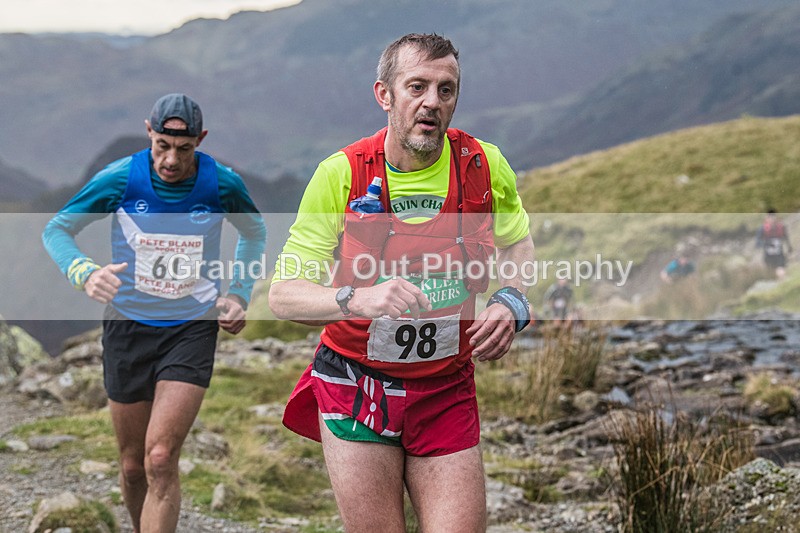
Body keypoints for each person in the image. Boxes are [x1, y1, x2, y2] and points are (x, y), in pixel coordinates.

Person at [269, 33, 534, 531]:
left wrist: (511, 298)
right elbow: (283, 295)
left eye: (446, 89)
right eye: (417, 86)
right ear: (384, 94)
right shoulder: (341, 175)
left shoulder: (483, 165)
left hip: (446, 386)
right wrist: (357, 297)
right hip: (356, 384)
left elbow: (518, 244)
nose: (432, 102)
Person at [42, 93, 266, 533]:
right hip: (127, 326)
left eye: (183, 149)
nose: (170, 160)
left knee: (160, 457)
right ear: (150, 132)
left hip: (191, 326)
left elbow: (254, 232)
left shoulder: (221, 184)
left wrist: (239, 292)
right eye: (162, 145)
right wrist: (84, 271)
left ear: (200, 140)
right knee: (131, 466)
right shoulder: (122, 178)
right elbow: (58, 229)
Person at [756, 209, 793, 279]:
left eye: (773, 216)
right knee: (771, 274)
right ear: (766, 218)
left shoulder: (781, 227)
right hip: (768, 255)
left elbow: (786, 238)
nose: (772, 219)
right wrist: (765, 243)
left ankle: (783, 282)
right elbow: (757, 242)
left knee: (781, 271)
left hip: (779, 254)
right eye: (770, 217)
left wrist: (789, 247)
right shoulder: (762, 228)